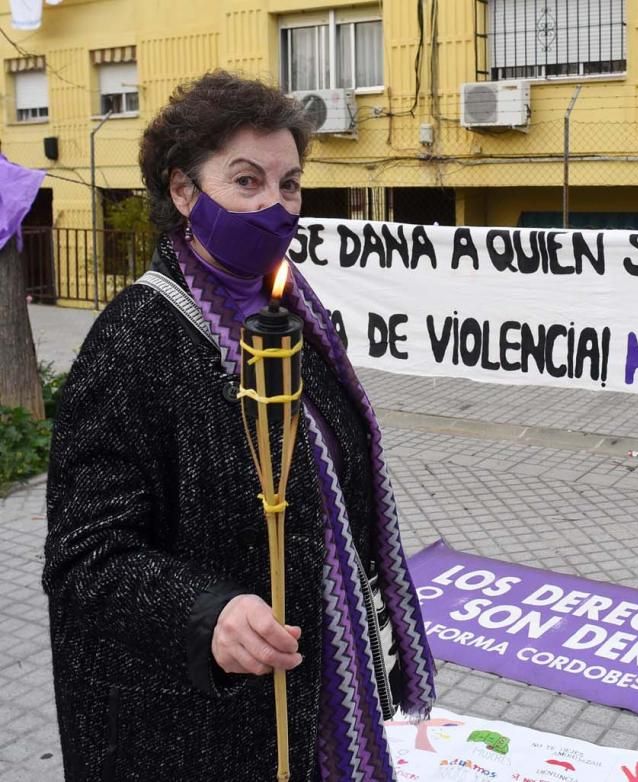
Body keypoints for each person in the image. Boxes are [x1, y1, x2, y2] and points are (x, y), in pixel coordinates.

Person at [44, 71, 436, 781]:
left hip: (311, 694)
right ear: (184, 192)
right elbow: (83, 554)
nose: (275, 206)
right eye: (247, 181)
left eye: (288, 185)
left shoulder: (296, 318)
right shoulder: (136, 338)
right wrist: (205, 614)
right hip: (194, 730)